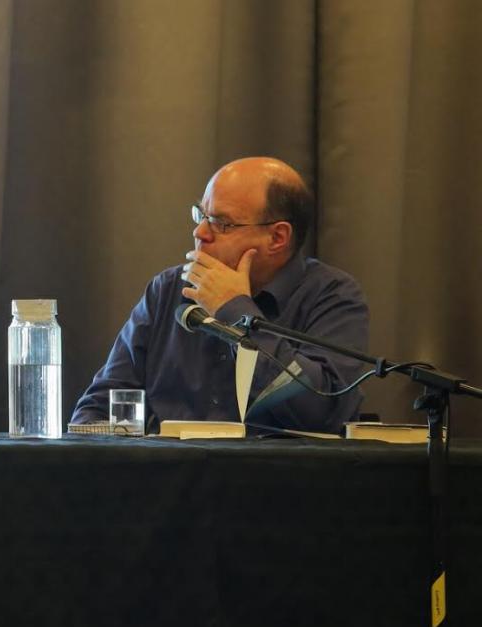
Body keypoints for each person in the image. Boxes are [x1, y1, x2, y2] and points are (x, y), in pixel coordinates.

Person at [72, 157, 369, 434]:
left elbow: (321, 411)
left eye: (221, 223)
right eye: (201, 215)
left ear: (277, 238)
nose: (200, 232)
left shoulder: (332, 296)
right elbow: (100, 407)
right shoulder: (169, 289)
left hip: (277, 483)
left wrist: (236, 311)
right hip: (168, 481)